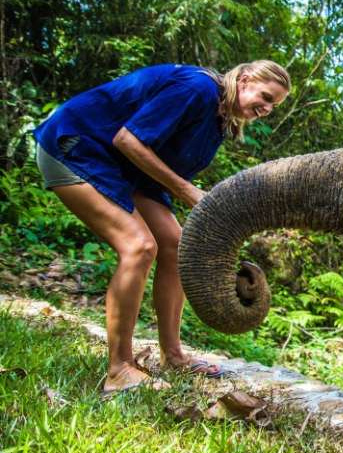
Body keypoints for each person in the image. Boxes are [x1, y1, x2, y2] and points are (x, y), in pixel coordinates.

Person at [32, 61, 290, 395]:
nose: (268, 108)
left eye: (274, 105)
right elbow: (127, 140)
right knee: (138, 246)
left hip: (122, 170)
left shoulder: (219, 120)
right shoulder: (197, 90)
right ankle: (119, 369)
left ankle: (173, 356)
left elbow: (160, 166)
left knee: (176, 245)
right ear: (244, 79)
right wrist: (186, 191)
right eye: (266, 96)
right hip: (75, 148)